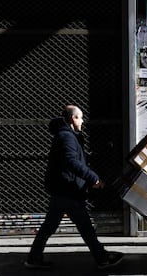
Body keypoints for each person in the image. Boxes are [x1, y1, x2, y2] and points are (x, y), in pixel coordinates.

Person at [24, 104, 124, 270]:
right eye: (81, 117)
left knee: (50, 226)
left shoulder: (69, 135)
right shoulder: (66, 137)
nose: (83, 120)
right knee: (85, 227)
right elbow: (72, 162)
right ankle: (103, 258)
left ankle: (34, 258)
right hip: (67, 189)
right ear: (72, 118)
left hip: (63, 189)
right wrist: (93, 178)